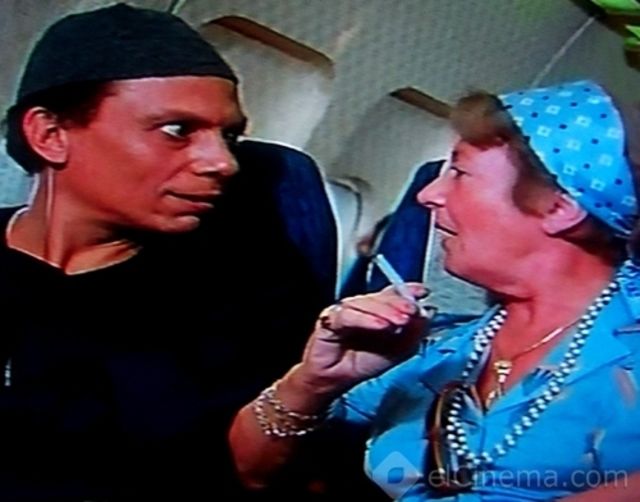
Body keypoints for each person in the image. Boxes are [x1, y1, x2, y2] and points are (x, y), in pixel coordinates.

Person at [229, 79, 640, 500]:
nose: (428, 195)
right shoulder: (444, 347)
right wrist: (313, 383)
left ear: (558, 208)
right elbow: (249, 468)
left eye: (459, 173)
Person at [0, 4, 325, 500]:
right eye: (177, 130)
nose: (223, 162)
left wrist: (309, 387)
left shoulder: (252, 287)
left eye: (229, 136)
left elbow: (253, 474)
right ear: (50, 134)